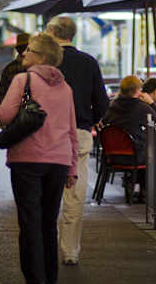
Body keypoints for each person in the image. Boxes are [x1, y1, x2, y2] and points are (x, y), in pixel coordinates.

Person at [0, 33, 78, 284]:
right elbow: (72, 130)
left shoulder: (23, 80)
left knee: (30, 219)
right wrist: (72, 168)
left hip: (27, 158)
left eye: (29, 50)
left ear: (41, 57)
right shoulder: (66, 88)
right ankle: (50, 277)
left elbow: (4, 115)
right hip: (59, 161)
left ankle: (34, 280)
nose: (24, 54)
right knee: (48, 220)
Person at [45, 16, 110, 267]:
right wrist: (87, 120)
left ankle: (46, 248)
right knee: (74, 196)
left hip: (47, 134)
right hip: (79, 134)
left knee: (47, 193)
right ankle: (70, 251)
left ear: (52, 31)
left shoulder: (46, 61)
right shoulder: (88, 62)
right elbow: (102, 102)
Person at [100, 76, 156, 200]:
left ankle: (132, 182)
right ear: (138, 91)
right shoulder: (141, 107)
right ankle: (144, 190)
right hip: (134, 158)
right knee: (152, 153)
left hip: (111, 156)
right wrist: (152, 103)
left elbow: (104, 123)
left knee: (142, 148)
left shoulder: (112, 105)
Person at [0, 32, 29, 113]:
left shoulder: (9, 68)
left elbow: (0, 95)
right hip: (26, 114)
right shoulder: (37, 67)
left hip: (13, 112)